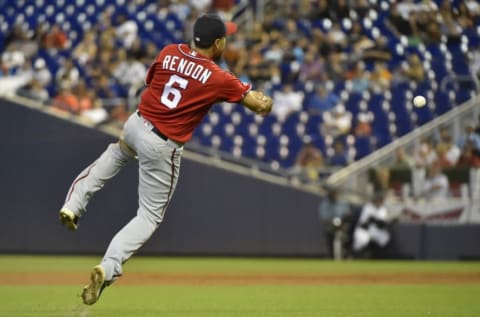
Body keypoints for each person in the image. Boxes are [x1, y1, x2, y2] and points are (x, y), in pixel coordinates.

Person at [58, 13, 273, 306]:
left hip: (137, 122)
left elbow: (153, 81)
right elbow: (256, 105)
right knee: (148, 217)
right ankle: (108, 267)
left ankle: (72, 205)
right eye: (226, 38)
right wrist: (264, 102)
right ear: (219, 42)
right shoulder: (218, 77)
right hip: (162, 144)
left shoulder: (169, 51)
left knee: (116, 153)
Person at [353, 192, 391, 258]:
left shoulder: (383, 209)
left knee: (384, 238)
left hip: (377, 230)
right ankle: (357, 256)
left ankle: (379, 257)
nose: (378, 202)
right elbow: (363, 223)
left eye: (380, 200)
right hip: (365, 230)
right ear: (374, 200)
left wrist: (377, 221)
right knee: (362, 239)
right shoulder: (368, 207)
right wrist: (372, 220)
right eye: (377, 200)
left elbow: (383, 224)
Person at [318, 187, 352, 259]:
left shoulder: (342, 202)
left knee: (346, 241)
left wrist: (343, 222)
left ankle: (346, 256)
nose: (334, 195)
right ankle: (332, 257)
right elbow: (324, 218)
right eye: (332, 193)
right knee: (331, 243)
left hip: (343, 226)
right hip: (330, 227)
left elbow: (348, 214)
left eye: (335, 193)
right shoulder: (325, 204)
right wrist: (332, 222)